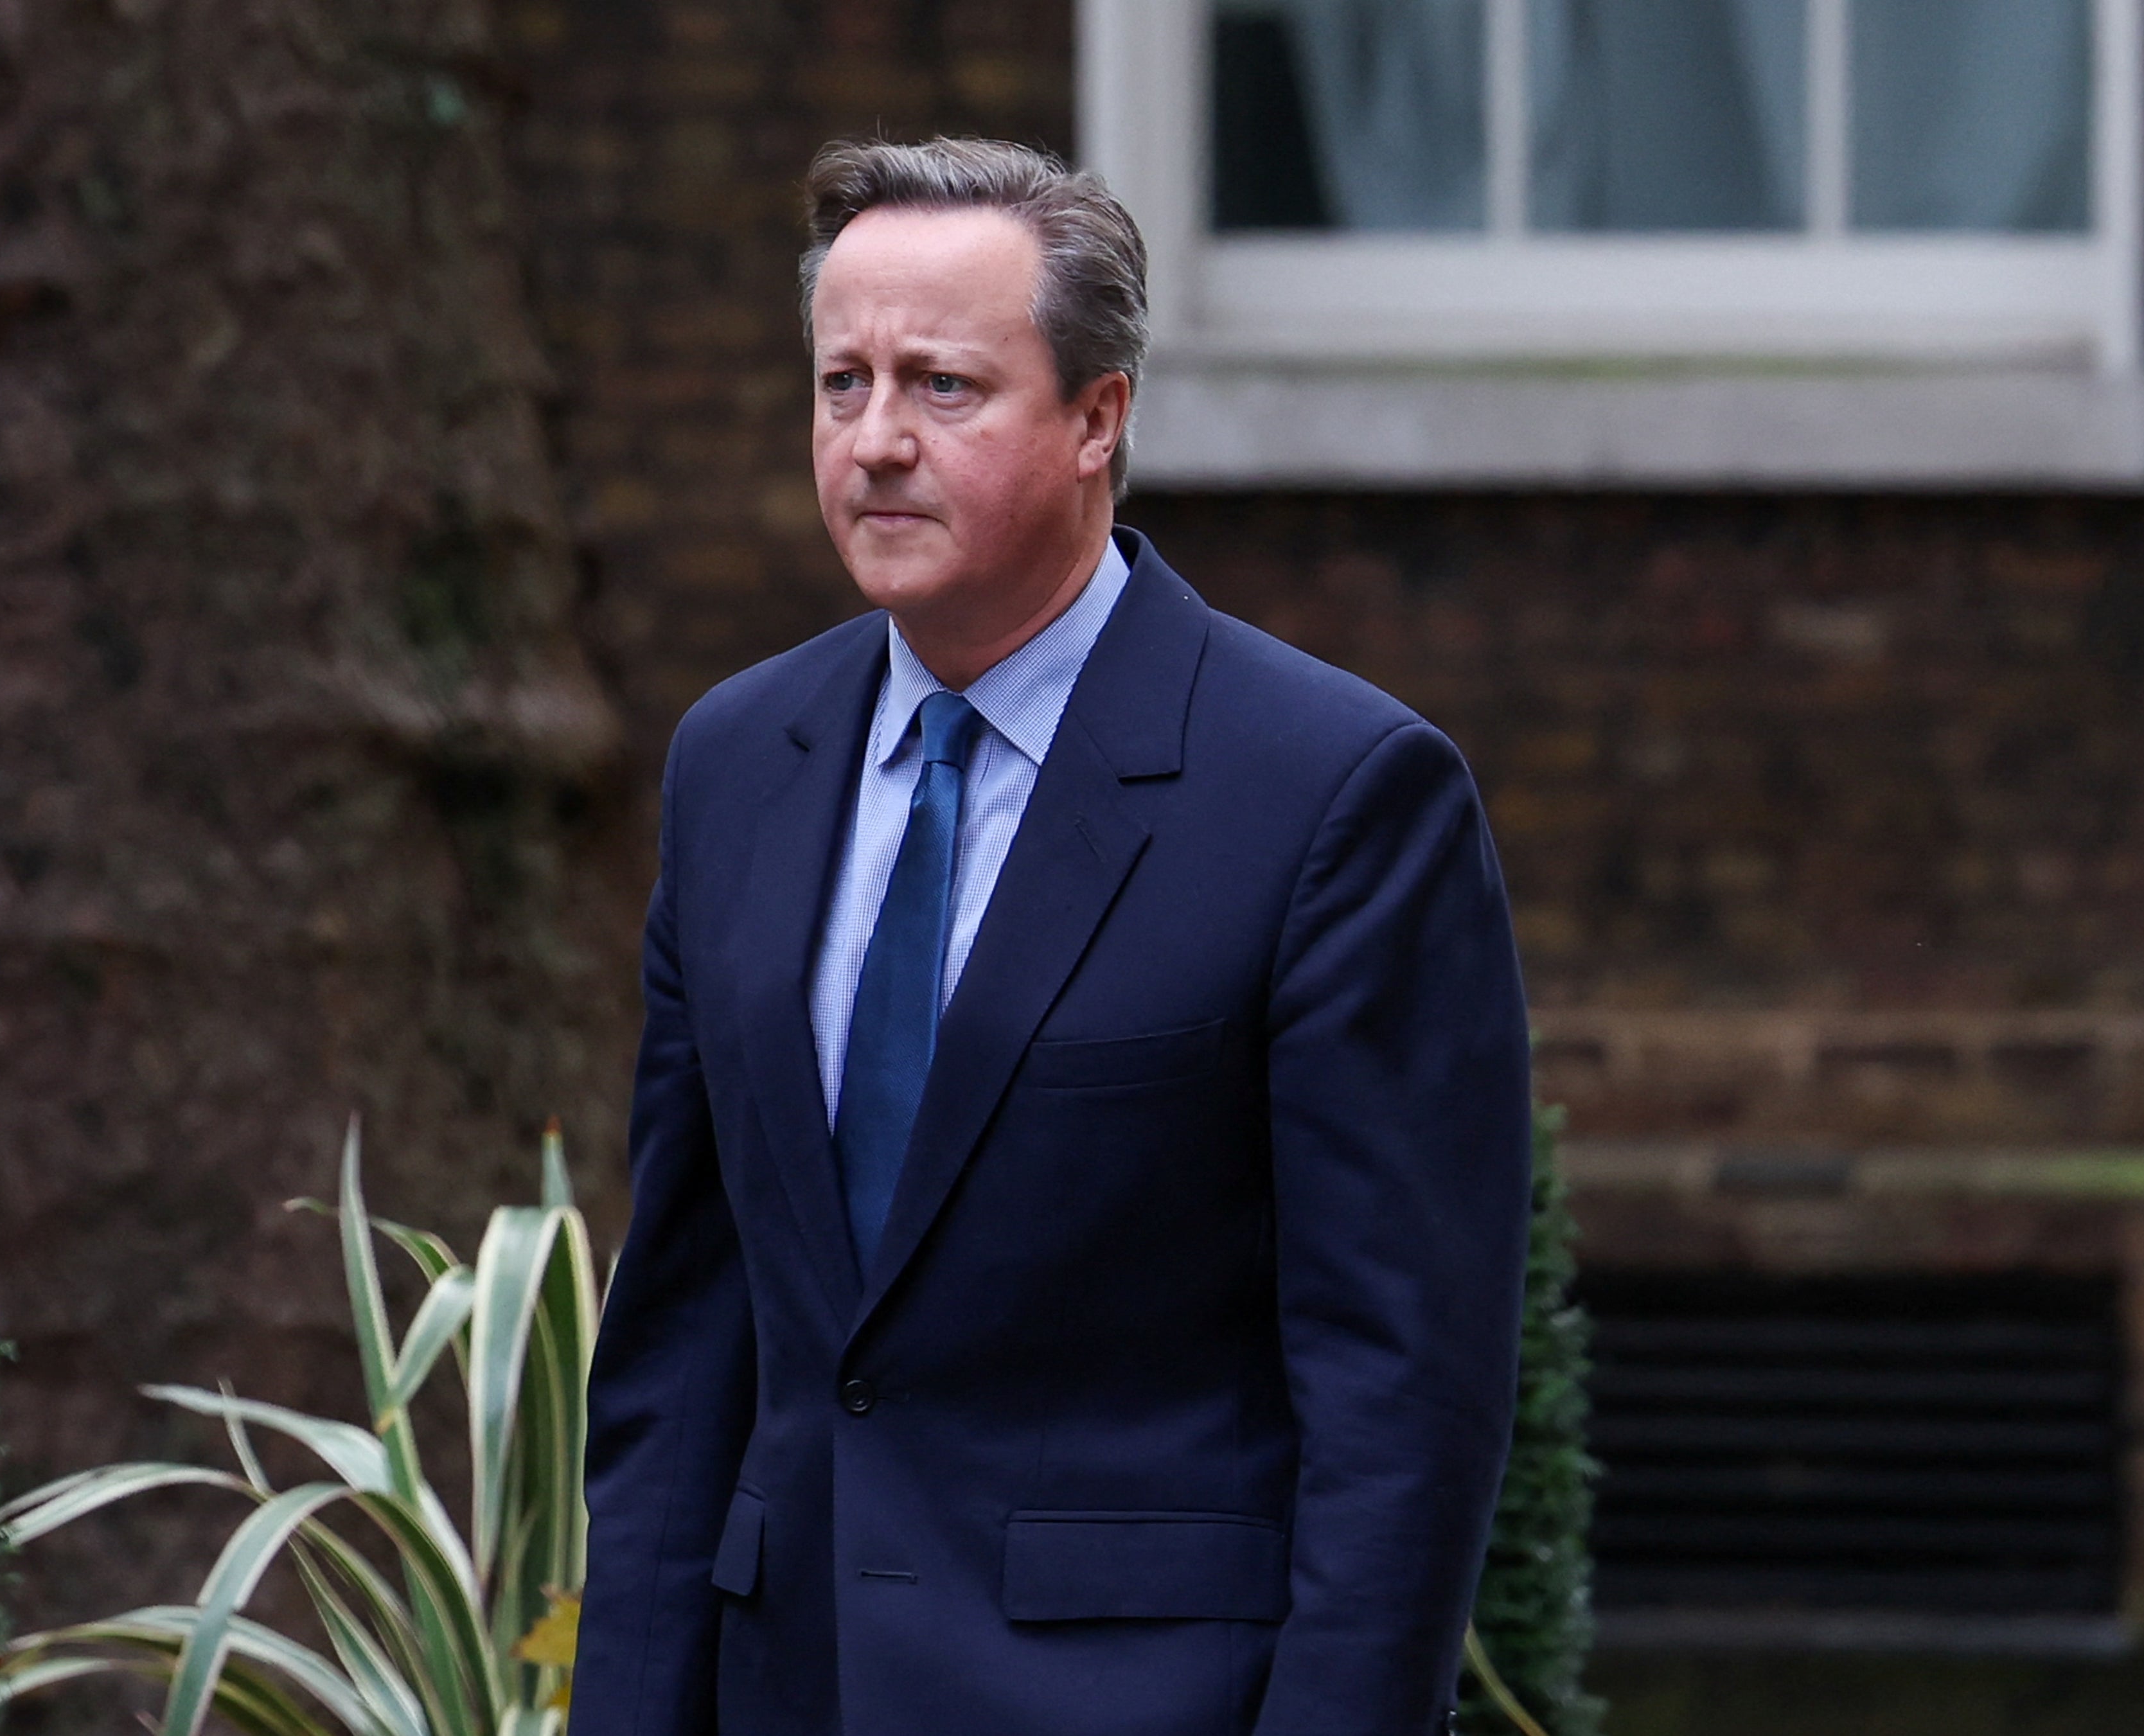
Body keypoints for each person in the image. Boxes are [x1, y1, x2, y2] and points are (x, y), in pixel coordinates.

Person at [569, 137, 1531, 1736]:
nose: (874, 442)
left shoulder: (1333, 795)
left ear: (1099, 420)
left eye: (943, 387)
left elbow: (1401, 1412)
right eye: (840, 383)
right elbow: (682, 1344)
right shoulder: (736, 764)